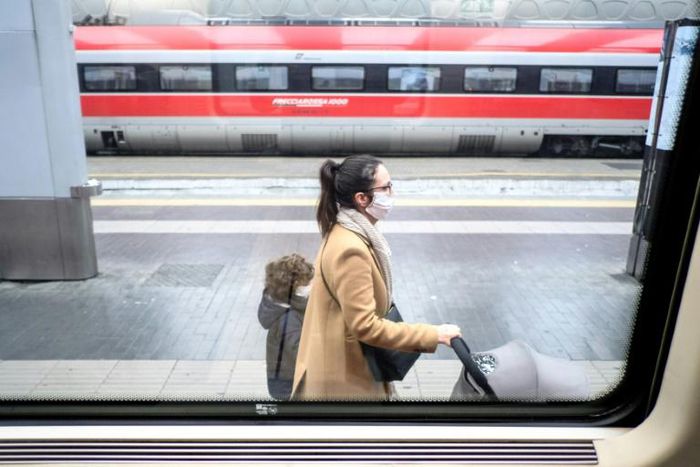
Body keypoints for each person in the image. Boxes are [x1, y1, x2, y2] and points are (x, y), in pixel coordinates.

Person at [292, 154, 462, 400]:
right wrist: (434, 334)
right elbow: (365, 326)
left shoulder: (348, 232)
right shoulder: (351, 249)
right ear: (362, 198)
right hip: (344, 383)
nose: (392, 194)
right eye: (386, 188)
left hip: (340, 366)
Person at [258, 253, 314, 400]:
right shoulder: (288, 319)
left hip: (284, 379)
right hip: (288, 385)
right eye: (306, 284)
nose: (310, 287)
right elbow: (302, 354)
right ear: (293, 289)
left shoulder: (284, 306)